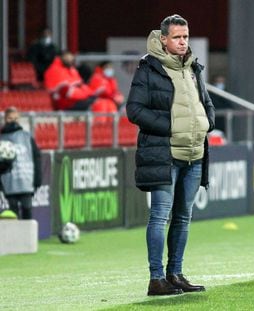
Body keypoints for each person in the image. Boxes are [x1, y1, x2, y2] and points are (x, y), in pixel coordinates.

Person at [126, 14, 215, 296]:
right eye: (177, 37)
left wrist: (207, 122)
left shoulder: (194, 68)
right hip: (165, 153)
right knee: (160, 216)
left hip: (195, 153)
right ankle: (155, 278)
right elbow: (135, 110)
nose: (182, 42)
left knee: (183, 217)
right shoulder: (148, 69)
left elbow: (206, 101)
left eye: (185, 37)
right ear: (163, 39)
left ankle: (174, 273)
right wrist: (172, 128)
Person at [0, 107, 42, 219]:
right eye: (10, 118)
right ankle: (15, 236)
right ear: (5, 119)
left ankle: (28, 236)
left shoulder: (27, 137)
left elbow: (36, 158)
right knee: (12, 212)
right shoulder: (1, 138)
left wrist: (38, 179)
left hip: (26, 181)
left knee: (27, 208)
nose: (13, 121)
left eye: (16, 118)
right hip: (8, 182)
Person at [44, 51, 117, 114]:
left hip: (78, 100)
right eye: (67, 57)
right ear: (60, 57)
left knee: (108, 103)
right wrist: (85, 94)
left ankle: (108, 128)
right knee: (99, 103)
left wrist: (87, 93)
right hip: (66, 104)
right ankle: (100, 127)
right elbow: (65, 91)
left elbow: (81, 86)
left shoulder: (72, 70)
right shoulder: (54, 70)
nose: (70, 60)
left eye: (71, 58)